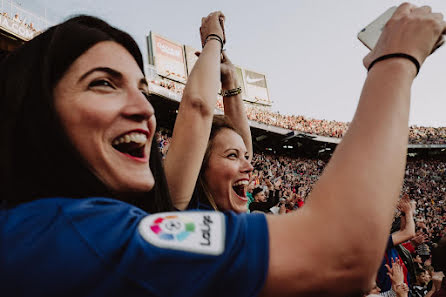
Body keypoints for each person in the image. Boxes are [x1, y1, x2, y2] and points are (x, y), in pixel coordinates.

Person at [1, 4, 446, 297]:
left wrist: (232, 88)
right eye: (103, 83)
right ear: (35, 113)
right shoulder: (81, 236)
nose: (144, 107)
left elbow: (236, 142)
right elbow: (344, 250)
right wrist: (396, 58)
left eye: (141, 88)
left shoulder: (69, 228)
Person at [162, 13, 253, 212]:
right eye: (232, 156)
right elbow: (198, 106)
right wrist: (214, 39)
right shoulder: (182, 206)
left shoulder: (236, 222)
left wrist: (229, 78)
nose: (249, 167)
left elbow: (245, 149)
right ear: (199, 166)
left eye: (244, 157)